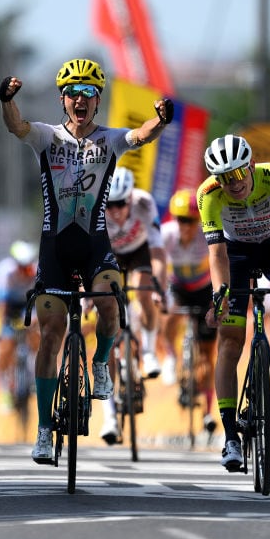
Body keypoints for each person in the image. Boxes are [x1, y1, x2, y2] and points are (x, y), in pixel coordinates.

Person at [0, 57, 173, 464]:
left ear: (98, 100)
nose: (80, 99)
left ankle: (100, 363)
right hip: (54, 249)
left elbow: (141, 135)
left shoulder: (109, 140)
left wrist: (162, 121)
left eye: (89, 93)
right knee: (51, 334)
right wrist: (6, 100)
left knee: (110, 302)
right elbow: (16, 126)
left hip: (95, 244)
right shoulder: (47, 137)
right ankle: (44, 430)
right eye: (73, 93)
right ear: (63, 99)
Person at [198, 134, 270, 472]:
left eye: (238, 173)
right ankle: (230, 437)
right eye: (224, 178)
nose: (233, 184)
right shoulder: (208, 194)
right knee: (229, 342)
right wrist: (219, 294)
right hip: (235, 255)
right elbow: (216, 254)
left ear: (251, 166)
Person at [99, 166, 169, 444]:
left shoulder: (144, 203)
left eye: (120, 204)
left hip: (140, 251)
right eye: (110, 205)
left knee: (143, 291)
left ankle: (149, 350)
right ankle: (109, 417)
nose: (115, 211)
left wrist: (159, 287)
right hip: (109, 256)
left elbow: (158, 252)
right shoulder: (96, 208)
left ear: (130, 199)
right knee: (108, 327)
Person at [160, 188, 218, 435]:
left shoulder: (207, 236)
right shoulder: (166, 234)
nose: (185, 226)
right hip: (178, 287)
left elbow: (220, 261)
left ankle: (207, 412)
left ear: (198, 221)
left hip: (204, 290)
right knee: (168, 314)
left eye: (191, 221)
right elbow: (156, 263)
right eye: (181, 220)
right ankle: (171, 357)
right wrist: (157, 291)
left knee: (206, 357)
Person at [0, 239, 39, 414]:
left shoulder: (37, 271)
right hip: (9, 307)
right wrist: (2, 330)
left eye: (28, 266)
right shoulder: (4, 272)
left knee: (37, 336)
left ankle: (34, 376)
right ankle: (5, 390)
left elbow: (41, 301)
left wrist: (35, 319)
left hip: (29, 304)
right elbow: (1, 306)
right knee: (4, 349)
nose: (25, 270)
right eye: (21, 266)